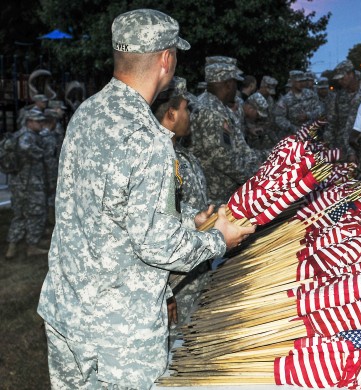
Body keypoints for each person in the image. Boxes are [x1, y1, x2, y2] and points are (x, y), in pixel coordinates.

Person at [37, 10, 255, 389]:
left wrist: (189, 220)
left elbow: (109, 213)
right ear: (166, 60)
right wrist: (218, 239)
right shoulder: (148, 138)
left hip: (68, 310)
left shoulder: (88, 113)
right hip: (120, 332)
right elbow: (158, 246)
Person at [150, 76, 213, 345]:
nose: (191, 115)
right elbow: (153, 231)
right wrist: (164, 293)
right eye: (188, 109)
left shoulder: (181, 154)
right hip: (177, 284)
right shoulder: (156, 160)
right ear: (171, 113)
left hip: (194, 272)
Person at [190, 57, 267, 206]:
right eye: (236, 84)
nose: (237, 89)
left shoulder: (219, 107)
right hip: (215, 195)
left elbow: (239, 147)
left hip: (225, 190)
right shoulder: (210, 111)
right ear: (228, 84)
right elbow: (224, 159)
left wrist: (259, 162)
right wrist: (257, 176)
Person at [5, 110, 49, 258]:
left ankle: (12, 247)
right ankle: (31, 246)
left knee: (19, 214)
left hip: (19, 183)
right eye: (38, 121)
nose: (41, 124)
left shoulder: (17, 135)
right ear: (29, 122)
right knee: (35, 213)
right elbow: (27, 149)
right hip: (30, 183)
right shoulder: (27, 136)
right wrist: (41, 151)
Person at [327, 60, 361, 159]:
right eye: (338, 79)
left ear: (351, 74)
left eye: (342, 78)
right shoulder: (338, 97)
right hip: (342, 147)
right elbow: (332, 122)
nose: (339, 81)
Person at [273, 70, 321, 136]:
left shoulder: (311, 95)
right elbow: (279, 118)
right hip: (293, 135)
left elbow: (320, 110)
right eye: (299, 81)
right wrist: (292, 128)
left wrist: (308, 115)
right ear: (292, 82)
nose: (302, 83)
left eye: (303, 81)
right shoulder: (285, 100)